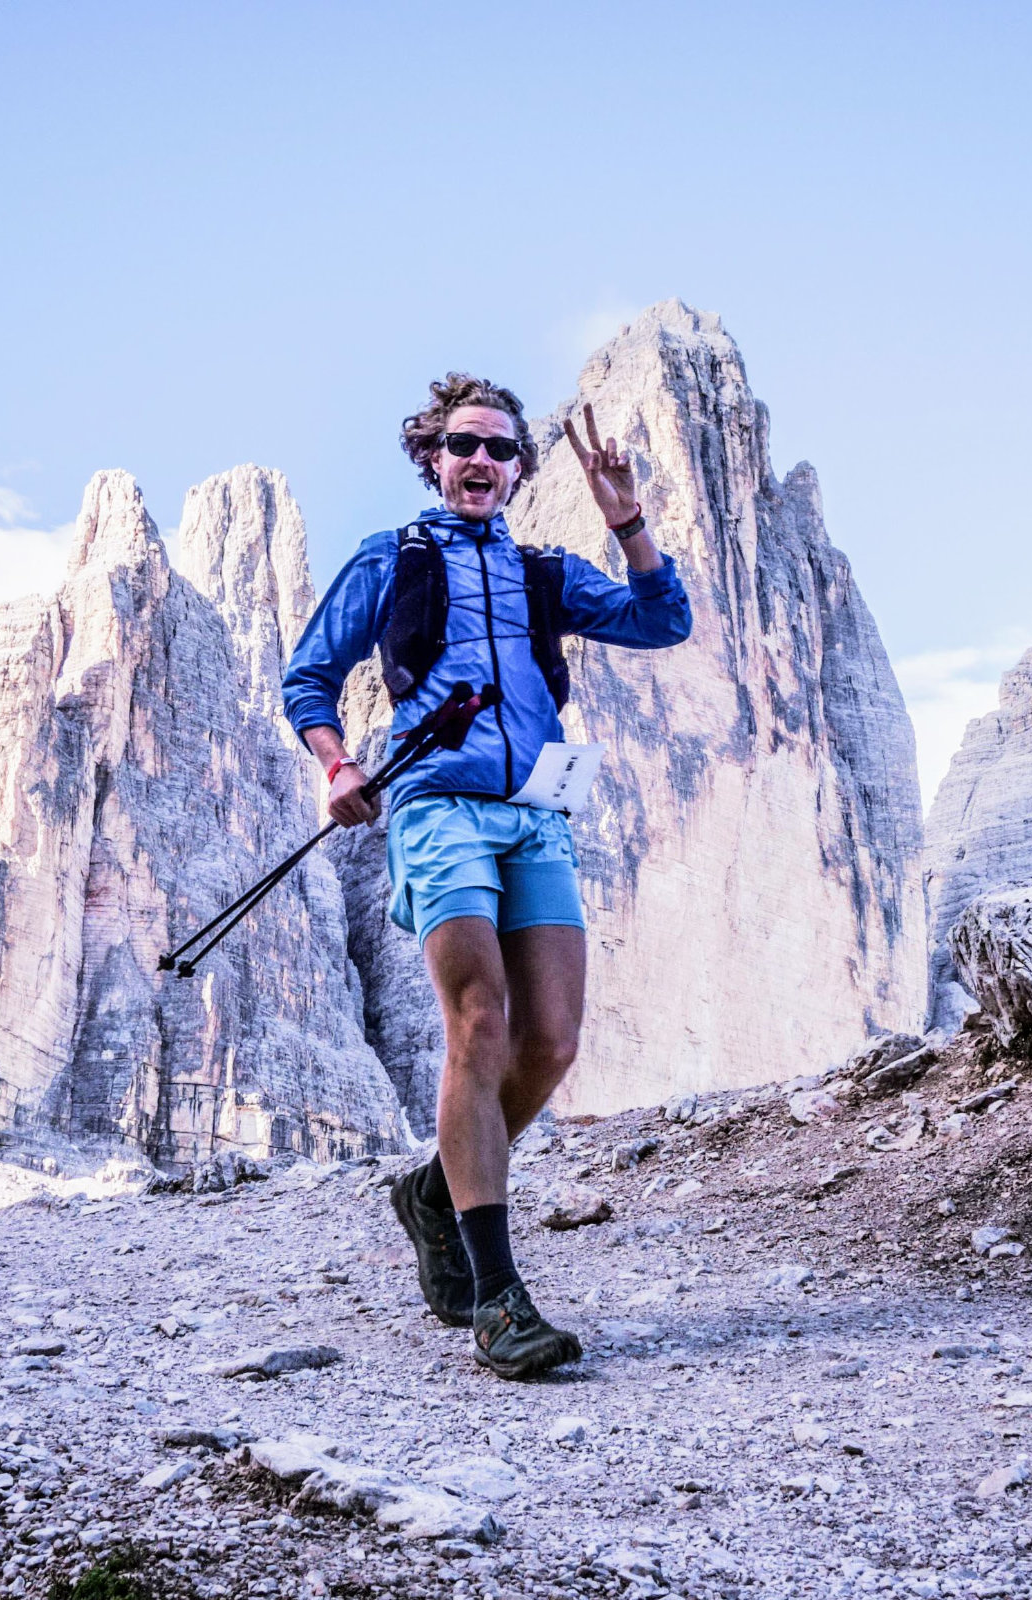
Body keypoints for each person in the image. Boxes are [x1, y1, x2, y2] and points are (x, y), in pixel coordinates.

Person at [282, 374, 691, 1378]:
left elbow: (659, 620)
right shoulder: (391, 558)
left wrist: (625, 520)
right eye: (464, 443)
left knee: (549, 1041)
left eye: (501, 450)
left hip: (536, 816)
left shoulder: (546, 572)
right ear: (431, 455)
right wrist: (338, 765)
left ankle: (434, 1190)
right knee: (480, 1022)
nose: (481, 461)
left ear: (516, 470)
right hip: (432, 808)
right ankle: (497, 1298)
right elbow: (308, 677)